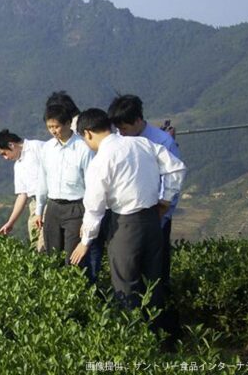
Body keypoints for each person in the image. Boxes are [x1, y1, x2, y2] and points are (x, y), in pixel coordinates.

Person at [70, 109, 186, 315]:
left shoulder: (101, 160)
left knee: (126, 284)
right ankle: (157, 334)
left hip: (124, 225)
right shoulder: (141, 143)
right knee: (153, 281)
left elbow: (94, 207)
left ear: (87, 133)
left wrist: (85, 241)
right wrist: (165, 201)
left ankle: (132, 335)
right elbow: (176, 168)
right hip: (152, 221)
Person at [107, 94, 182, 286]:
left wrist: (163, 211)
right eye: (118, 129)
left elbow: (173, 175)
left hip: (155, 215)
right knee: (129, 269)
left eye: (124, 128)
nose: (121, 133)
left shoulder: (161, 141)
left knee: (155, 274)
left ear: (138, 120)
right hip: (127, 217)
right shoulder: (118, 141)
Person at [34, 104, 98, 282]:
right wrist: (39, 209)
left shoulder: (83, 148)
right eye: (50, 127)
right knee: (52, 254)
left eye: (56, 126)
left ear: (68, 123)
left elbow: (91, 183)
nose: (53, 131)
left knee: (73, 257)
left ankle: (76, 293)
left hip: (76, 207)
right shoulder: (46, 149)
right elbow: (42, 179)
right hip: (53, 206)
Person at [0, 129, 46, 252]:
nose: (5, 158)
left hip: (50, 201)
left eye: (4, 153)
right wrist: (10, 222)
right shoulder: (18, 165)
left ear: (11, 145)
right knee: (35, 242)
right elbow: (22, 195)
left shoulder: (37, 147)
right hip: (34, 204)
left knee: (44, 244)